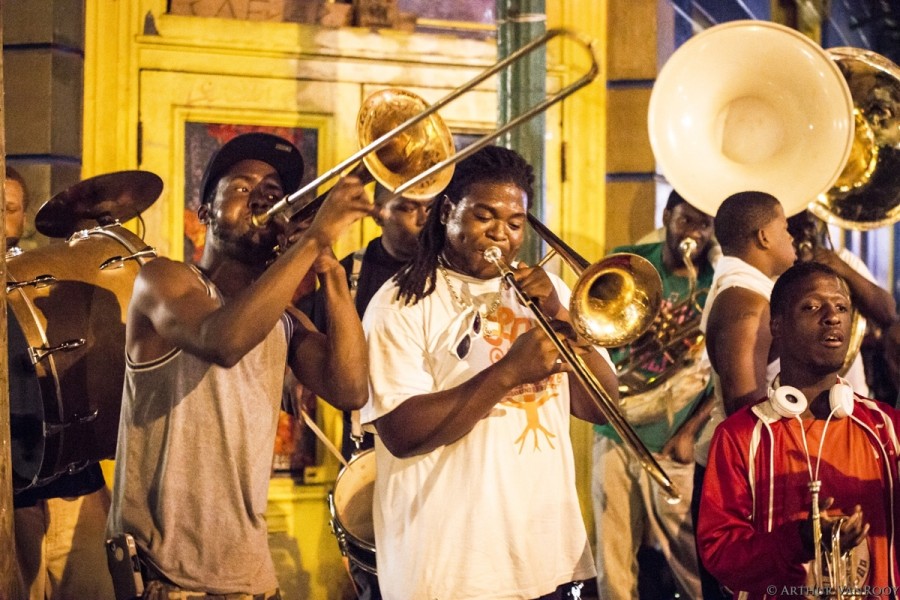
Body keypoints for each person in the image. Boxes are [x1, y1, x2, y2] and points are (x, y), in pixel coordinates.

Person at [106, 132, 373, 598]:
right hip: (169, 580)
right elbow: (222, 341)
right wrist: (309, 243)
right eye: (245, 188)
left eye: (274, 194)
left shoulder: (284, 320)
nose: (263, 200)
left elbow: (350, 389)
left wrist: (327, 265)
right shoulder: (165, 280)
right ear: (205, 212)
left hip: (251, 578)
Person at [360, 145, 618, 600]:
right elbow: (401, 432)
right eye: (484, 216)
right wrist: (507, 374)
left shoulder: (550, 291)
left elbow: (602, 406)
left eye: (515, 223)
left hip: (548, 556)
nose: (500, 234)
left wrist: (560, 314)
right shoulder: (400, 302)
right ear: (446, 212)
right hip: (453, 568)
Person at [697, 261, 900, 598]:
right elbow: (721, 553)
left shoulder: (886, 428)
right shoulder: (741, 435)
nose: (832, 316)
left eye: (841, 307)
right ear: (777, 325)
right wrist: (800, 540)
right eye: (812, 306)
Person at [302, 181, 433, 599]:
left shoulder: (447, 274)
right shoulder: (350, 273)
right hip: (367, 447)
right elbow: (309, 339)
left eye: (431, 209)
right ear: (378, 211)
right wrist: (296, 374)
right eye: (408, 208)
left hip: (435, 443)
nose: (423, 220)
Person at [591, 189, 714, 600]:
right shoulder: (629, 263)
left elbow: (723, 373)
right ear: (667, 217)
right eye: (685, 220)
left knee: (690, 561)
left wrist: (690, 433)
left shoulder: (717, 282)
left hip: (673, 437)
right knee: (613, 556)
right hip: (615, 426)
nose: (693, 232)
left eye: (703, 224)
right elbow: (590, 330)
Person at [8, 164, 116, 600]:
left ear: (22, 216)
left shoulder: (45, 277)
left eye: (10, 207)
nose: (1, 215)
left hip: (76, 481)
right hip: (9, 498)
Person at [692, 190, 798, 599]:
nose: (792, 238)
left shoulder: (748, 292)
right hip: (741, 486)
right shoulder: (747, 302)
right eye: (785, 228)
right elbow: (744, 410)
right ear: (764, 236)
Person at [787, 210, 897, 398]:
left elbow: (888, 313)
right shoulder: (775, 266)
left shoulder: (841, 259)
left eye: (810, 224)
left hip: (851, 395)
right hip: (791, 397)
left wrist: (840, 267)